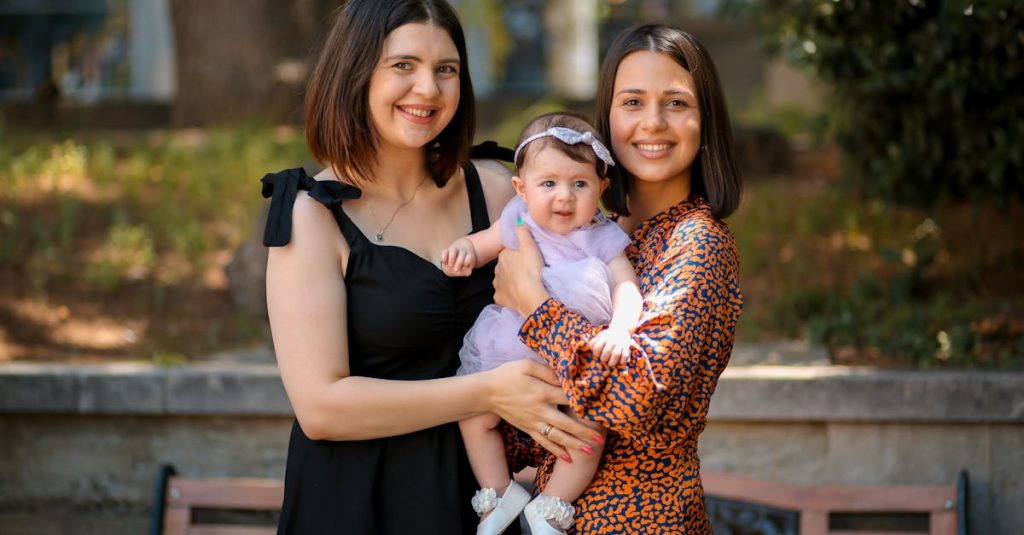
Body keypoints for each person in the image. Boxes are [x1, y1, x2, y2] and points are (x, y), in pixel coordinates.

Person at [260, 1, 598, 533]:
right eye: (403, 66)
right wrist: (486, 392)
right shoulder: (311, 216)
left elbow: (591, 267)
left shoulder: (493, 190)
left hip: (486, 496)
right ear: (355, 72)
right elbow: (321, 409)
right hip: (361, 501)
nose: (429, 89)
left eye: (447, 70)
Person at [493, 24, 744, 533]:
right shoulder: (594, 233)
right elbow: (559, 400)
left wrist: (534, 306)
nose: (652, 123)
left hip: (643, 521)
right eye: (632, 102)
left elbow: (635, 400)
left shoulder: (698, 244)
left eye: (676, 103)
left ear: (704, 120)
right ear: (606, 118)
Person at [440, 112, 643, 535]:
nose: (563, 197)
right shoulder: (519, 218)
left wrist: (621, 329)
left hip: (570, 364)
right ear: (522, 188)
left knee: (588, 435)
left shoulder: (602, 235)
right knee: (474, 416)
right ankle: (498, 493)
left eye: (579, 184)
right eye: (548, 184)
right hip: (510, 349)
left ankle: (551, 507)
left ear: (601, 188)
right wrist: (464, 250)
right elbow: (487, 242)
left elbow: (626, 286)